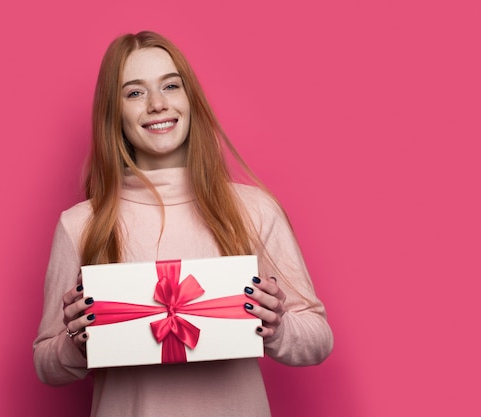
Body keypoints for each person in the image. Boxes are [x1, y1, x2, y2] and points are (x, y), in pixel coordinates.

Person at [33, 31, 333, 417]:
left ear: (190, 98)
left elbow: (318, 340)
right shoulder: (81, 224)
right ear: (114, 111)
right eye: (135, 93)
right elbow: (46, 363)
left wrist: (278, 326)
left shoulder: (254, 210)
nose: (157, 104)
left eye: (171, 86)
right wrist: (75, 342)